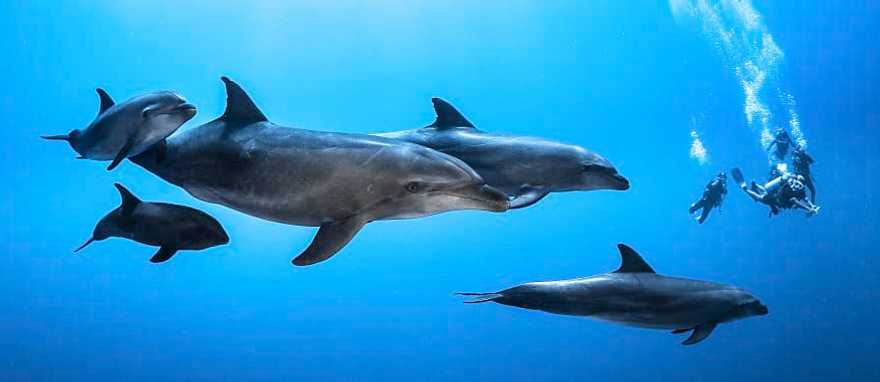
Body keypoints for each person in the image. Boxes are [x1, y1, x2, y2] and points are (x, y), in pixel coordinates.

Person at [731, 168, 819, 218]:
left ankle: (756, 186)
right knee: (760, 198)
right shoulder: (802, 190)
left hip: (776, 194)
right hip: (778, 199)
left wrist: (811, 206)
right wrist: (810, 208)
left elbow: (804, 200)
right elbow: (796, 200)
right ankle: (746, 189)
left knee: (765, 193)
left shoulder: (792, 181)